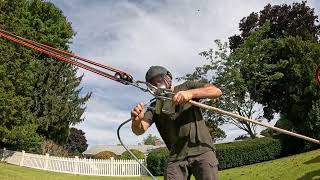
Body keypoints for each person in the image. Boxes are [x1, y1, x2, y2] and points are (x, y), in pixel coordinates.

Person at [131, 66, 222, 180]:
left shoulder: (186, 87)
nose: (157, 85)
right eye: (152, 84)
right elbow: (139, 130)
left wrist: (191, 93)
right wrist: (136, 120)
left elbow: (216, 91)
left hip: (202, 150)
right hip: (176, 157)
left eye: (159, 80)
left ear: (168, 77)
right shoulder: (155, 105)